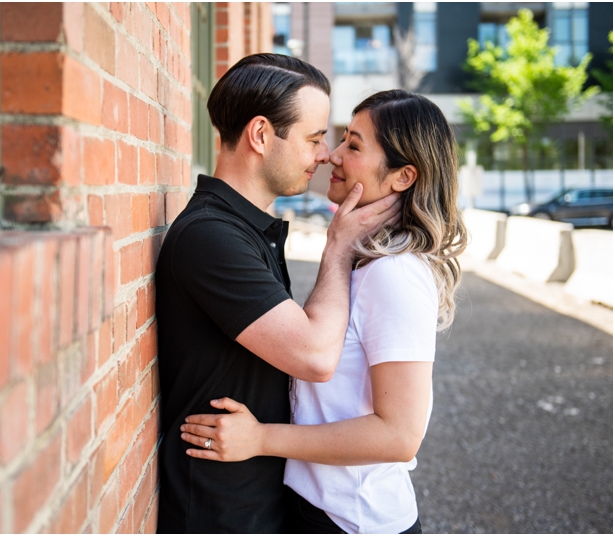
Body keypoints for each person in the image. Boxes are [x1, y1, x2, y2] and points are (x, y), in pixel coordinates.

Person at [179, 89, 469, 534]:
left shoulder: (396, 273)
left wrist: (260, 439)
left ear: (402, 176)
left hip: (354, 520)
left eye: (353, 145)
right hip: (316, 507)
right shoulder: (363, 259)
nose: (332, 155)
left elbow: (400, 434)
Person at [155, 55, 402, 533]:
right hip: (219, 513)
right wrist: (338, 249)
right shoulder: (210, 237)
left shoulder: (245, 229)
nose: (325, 155)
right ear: (262, 135)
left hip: (258, 501)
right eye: (313, 139)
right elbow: (314, 356)